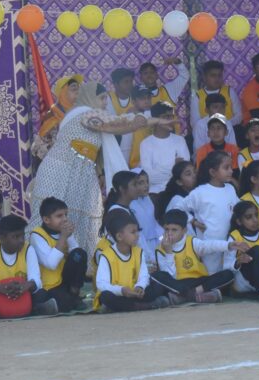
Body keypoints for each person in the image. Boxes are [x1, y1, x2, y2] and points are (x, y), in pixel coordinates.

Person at [29, 81, 173, 257]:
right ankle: (37, 260)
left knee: (79, 221)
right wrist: (154, 120)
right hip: (58, 171)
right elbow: (118, 123)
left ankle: (78, 263)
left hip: (80, 175)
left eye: (106, 98)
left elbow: (100, 142)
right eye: (102, 98)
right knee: (47, 217)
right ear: (90, 97)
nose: (106, 102)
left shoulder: (91, 118)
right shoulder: (85, 113)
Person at [0, 214, 58, 318]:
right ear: (2, 238)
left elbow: (36, 279)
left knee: (41, 293)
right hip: (0, 293)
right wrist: (0, 288)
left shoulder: (28, 249)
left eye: (22, 236)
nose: (21, 240)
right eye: (16, 237)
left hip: (23, 293)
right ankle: (36, 309)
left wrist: (25, 286)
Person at [152, 209, 242, 304]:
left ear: (184, 230)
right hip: (178, 284)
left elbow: (209, 245)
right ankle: (202, 296)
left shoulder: (191, 241)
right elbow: (170, 277)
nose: (169, 233)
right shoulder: (160, 249)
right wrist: (169, 252)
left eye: (174, 230)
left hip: (198, 282)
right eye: (166, 229)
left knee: (228, 274)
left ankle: (188, 296)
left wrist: (228, 245)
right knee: (158, 276)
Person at [93, 211, 170, 312]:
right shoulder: (106, 256)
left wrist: (140, 287)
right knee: (105, 296)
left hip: (135, 292)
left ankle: (133, 306)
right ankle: (145, 305)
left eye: (137, 231)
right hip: (119, 294)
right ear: (119, 236)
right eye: (133, 232)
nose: (137, 235)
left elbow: (144, 275)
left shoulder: (138, 252)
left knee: (157, 284)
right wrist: (121, 290)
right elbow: (101, 284)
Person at [178, 152, 240, 271]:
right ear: (212, 172)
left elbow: (239, 208)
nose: (231, 171)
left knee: (229, 273)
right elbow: (178, 208)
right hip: (210, 246)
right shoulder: (200, 192)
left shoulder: (230, 189)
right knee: (212, 275)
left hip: (230, 242)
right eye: (226, 168)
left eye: (231, 167)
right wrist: (193, 221)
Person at [30, 197, 87, 312]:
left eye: (66, 215)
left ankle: (74, 293)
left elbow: (76, 253)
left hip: (65, 280)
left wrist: (67, 236)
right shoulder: (37, 235)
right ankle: (62, 301)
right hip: (50, 285)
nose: (65, 219)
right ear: (46, 219)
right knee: (64, 303)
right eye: (59, 216)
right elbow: (51, 264)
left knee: (80, 254)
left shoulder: (64, 232)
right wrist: (63, 237)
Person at [223, 201, 259, 303]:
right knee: (258, 250)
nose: (255, 220)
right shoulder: (235, 236)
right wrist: (238, 261)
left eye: (256, 215)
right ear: (239, 221)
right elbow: (226, 267)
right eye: (249, 217)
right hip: (242, 281)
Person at [139, 102, 190, 194]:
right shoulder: (145, 144)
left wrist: (162, 170)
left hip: (177, 190)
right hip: (155, 192)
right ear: (155, 120)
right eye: (166, 117)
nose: (170, 120)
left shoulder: (180, 140)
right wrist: (173, 168)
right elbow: (149, 176)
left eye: (171, 116)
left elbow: (185, 170)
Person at [34, 75, 81, 161]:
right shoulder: (52, 116)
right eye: (74, 89)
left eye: (78, 89)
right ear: (63, 92)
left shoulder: (78, 112)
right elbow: (41, 148)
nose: (77, 92)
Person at [190, 60, 242, 135]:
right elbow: (195, 123)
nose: (217, 79)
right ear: (204, 77)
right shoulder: (197, 97)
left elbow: (239, 116)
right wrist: (213, 129)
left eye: (219, 75)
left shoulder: (230, 92)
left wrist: (224, 125)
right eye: (213, 75)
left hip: (229, 130)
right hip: (207, 134)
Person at [129, 170, 163, 262]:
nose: (146, 185)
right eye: (141, 183)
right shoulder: (131, 204)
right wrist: (148, 253)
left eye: (147, 182)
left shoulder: (147, 199)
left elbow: (153, 222)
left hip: (155, 241)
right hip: (142, 244)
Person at [123, 86, 154, 167]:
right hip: (136, 167)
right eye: (142, 99)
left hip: (154, 164)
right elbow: (125, 148)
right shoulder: (129, 118)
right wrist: (125, 168)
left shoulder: (154, 115)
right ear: (133, 101)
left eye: (148, 98)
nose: (147, 101)